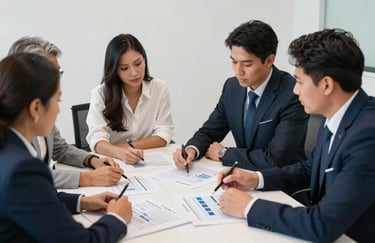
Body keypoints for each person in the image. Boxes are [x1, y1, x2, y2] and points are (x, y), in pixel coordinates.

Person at [216, 29, 375, 243]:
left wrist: (249, 207)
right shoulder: (339, 115)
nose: (295, 91)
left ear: (326, 85)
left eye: (299, 82)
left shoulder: (367, 136)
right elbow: (310, 169)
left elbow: (322, 225)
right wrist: (256, 179)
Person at [0, 53, 132, 242]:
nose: (59, 110)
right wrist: (117, 218)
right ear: (36, 108)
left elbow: (33, 199)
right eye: (57, 100)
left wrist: (82, 201)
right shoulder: (22, 170)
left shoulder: (7, 149)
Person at [173, 20, 308, 170]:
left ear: (269, 60)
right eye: (234, 62)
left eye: (247, 64)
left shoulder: (292, 93)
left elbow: (276, 159)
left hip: (281, 184)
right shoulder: (232, 87)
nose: (238, 71)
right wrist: (191, 149)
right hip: (243, 176)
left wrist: (224, 153)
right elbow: (210, 132)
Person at [8, 36, 125, 189]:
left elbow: (60, 148)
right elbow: (28, 177)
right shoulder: (10, 123)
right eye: (50, 73)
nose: (57, 80)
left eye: (58, 72)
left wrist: (92, 160)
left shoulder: (42, 107)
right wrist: (87, 178)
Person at [86, 34, 174, 164]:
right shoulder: (100, 94)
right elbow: (97, 141)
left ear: (145, 60)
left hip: (150, 161)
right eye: (124, 68)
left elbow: (163, 135)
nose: (134, 72)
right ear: (115, 70)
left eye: (138, 63)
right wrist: (121, 153)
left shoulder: (159, 88)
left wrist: (123, 148)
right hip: (116, 163)